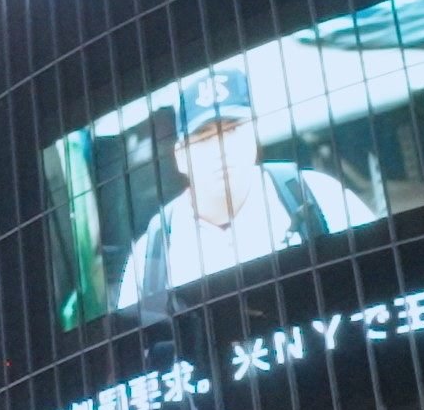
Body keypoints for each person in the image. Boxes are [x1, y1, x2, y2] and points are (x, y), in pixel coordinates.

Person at [112, 68, 375, 311]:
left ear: (254, 135)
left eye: (232, 129)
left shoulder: (318, 194)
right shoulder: (151, 251)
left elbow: (381, 277)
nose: (220, 150)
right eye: (204, 137)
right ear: (181, 156)